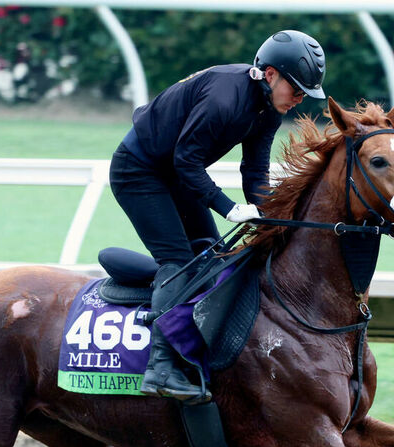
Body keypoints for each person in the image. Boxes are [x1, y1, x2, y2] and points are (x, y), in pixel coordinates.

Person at [109, 30, 327, 401]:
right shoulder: (224, 98)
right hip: (139, 171)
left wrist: (273, 217)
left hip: (176, 172)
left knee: (211, 254)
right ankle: (161, 368)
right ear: (270, 75)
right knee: (179, 260)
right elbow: (186, 161)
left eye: (306, 93)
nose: (299, 99)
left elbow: (254, 172)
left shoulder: (269, 110)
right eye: (296, 89)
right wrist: (229, 209)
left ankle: (201, 356)